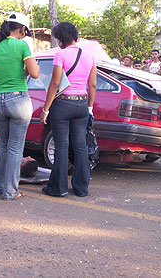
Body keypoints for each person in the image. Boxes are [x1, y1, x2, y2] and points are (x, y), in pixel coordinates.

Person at [0, 12, 40, 200]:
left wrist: (0, 69)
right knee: (15, 148)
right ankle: (10, 191)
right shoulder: (22, 45)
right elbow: (35, 73)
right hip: (18, 100)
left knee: (3, 145)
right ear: (22, 30)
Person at [40, 22, 97, 197]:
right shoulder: (89, 56)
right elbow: (93, 84)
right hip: (81, 104)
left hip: (63, 104)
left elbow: (55, 83)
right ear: (75, 37)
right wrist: (90, 107)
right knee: (80, 147)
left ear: (60, 40)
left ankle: (58, 188)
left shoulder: (60, 55)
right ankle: (81, 188)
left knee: (62, 146)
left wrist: (46, 109)